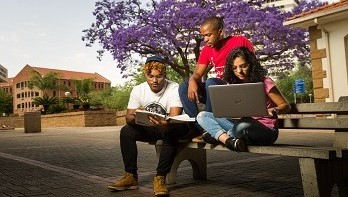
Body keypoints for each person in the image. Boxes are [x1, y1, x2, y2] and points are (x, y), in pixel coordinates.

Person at [108, 56, 190, 196]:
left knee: (170, 132)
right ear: (146, 74)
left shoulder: (174, 87)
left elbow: (174, 116)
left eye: (159, 76)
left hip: (167, 127)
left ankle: (160, 177)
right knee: (126, 131)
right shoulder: (138, 89)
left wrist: (165, 124)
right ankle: (131, 176)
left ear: (165, 75)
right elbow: (128, 118)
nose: (154, 80)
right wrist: (137, 115)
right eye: (150, 76)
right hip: (149, 128)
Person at [196, 47, 291, 151]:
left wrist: (275, 110)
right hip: (240, 126)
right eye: (234, 68)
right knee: (202, 115)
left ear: (251, 64)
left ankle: (217, 136)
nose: (239, 71)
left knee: (243, 125)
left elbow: (286, 106)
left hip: (266, 130)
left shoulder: (265, 82)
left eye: (243, 66)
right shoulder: (234, 86)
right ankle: (229, 141)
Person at [178, 16, 254, 121]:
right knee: (184, 87)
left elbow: (254, 66)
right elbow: (197, 74)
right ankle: (196, 126)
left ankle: (210, 124)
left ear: (220, 32)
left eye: (208, 35)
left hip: (237, 90)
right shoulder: (207, 50)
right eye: (203, 36)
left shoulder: (240, 41)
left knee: (211, 83)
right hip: (219, 92)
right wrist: (192, 81)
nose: (205, 39)